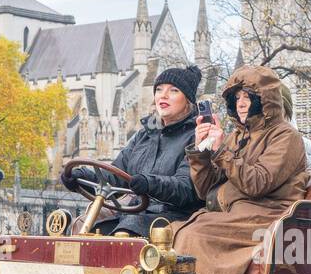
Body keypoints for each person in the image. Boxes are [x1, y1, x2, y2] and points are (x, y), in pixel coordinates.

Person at [172, 65, 308, 274]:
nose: (241, 103)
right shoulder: (238, 136)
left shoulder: (286, 136)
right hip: (235, 214)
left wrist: (221, 150)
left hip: (267, 217)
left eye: (248, 97)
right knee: (170, 231)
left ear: (265, 100)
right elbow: (206, 190)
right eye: (237, 98)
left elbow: (257, 183)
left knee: (196, 236)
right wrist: (201, 153)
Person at [61, 65, 204, 237]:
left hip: (175, 216)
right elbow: (114, 177)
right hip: (137, 213)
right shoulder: (145, 135)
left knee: (125, 231)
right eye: (159, 90)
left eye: (173, 90)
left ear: (187, 100)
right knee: (87, 227)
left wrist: (149, 183)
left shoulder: (197, 136)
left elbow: (185, 188)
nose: (163, 95)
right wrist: (80, 178)